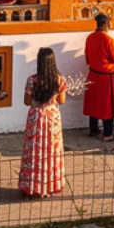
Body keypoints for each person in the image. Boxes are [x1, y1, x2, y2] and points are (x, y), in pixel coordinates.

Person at [19, 48, 67, 197]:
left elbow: (27, 102)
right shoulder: (60, 79)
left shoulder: (32, 80)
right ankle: (50, 186)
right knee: (52, 151)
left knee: (34, 152)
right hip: (52, 117)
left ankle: (34, 186)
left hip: (36, 117)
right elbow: (62, 101)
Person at [84, 13, 114, 141]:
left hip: (93, 75)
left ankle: (94, 130)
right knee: (108, 106)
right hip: (106, 77)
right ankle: (108, 134)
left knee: (94, 104)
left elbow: (88, 58)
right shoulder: (109, 40)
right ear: (107, 24)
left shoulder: (90, 38)